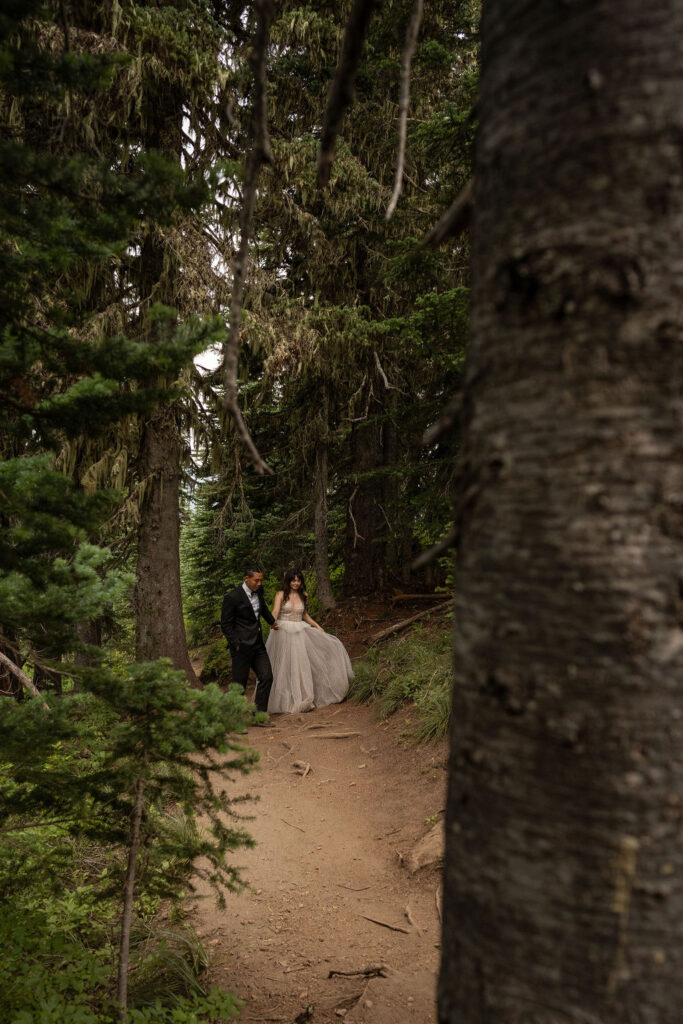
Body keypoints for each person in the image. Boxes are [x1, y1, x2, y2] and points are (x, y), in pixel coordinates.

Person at [266, 569, 353, 714]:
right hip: (282, 631)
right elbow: (275, 611)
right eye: (293, 580)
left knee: (300, 664)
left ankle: (303, 699)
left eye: (298, 580)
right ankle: (284, 700)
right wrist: (271, 622)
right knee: (284, 665)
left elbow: (304, 614)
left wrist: (317, 625)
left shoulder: (304, 595)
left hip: (299, 632)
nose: (296, 583)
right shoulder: (280, 594)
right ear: (288, 581)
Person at [220, 564, 279, 716]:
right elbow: (226, 624)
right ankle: (236, 720)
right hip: (241, 647)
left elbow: (263, 608)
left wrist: (272, 622)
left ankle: (259, 716)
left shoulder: (259, 591)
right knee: (239, 685)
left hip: (258, 644)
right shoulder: (232, 597)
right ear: (247, 579)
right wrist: (235, 643)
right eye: (256, 581)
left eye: (261, 581)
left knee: (267, 677)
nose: (259, 584)